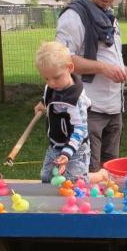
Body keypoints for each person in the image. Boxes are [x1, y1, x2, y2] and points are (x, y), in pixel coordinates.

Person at [56, 0, 127, 171]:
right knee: (88, 171)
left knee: (111, 171)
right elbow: (62, 61)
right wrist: (103, 69)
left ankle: (107, 204)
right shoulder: (74, 16)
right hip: (88, 108)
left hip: (114, 108)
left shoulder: (110, 19)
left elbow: (112, 60)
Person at [34, 42, 91, 183]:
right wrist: (43, 103)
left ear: (70, 68)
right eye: (46, 78)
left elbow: (80, 129)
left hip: (76, 148)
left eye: (56, 77)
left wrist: (67, 153)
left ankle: (100, 175)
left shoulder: (76, 100)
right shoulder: (53, 86)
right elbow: (48, 94)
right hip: (55, 144)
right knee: (46, 178)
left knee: (73, 182)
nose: (51, 83)